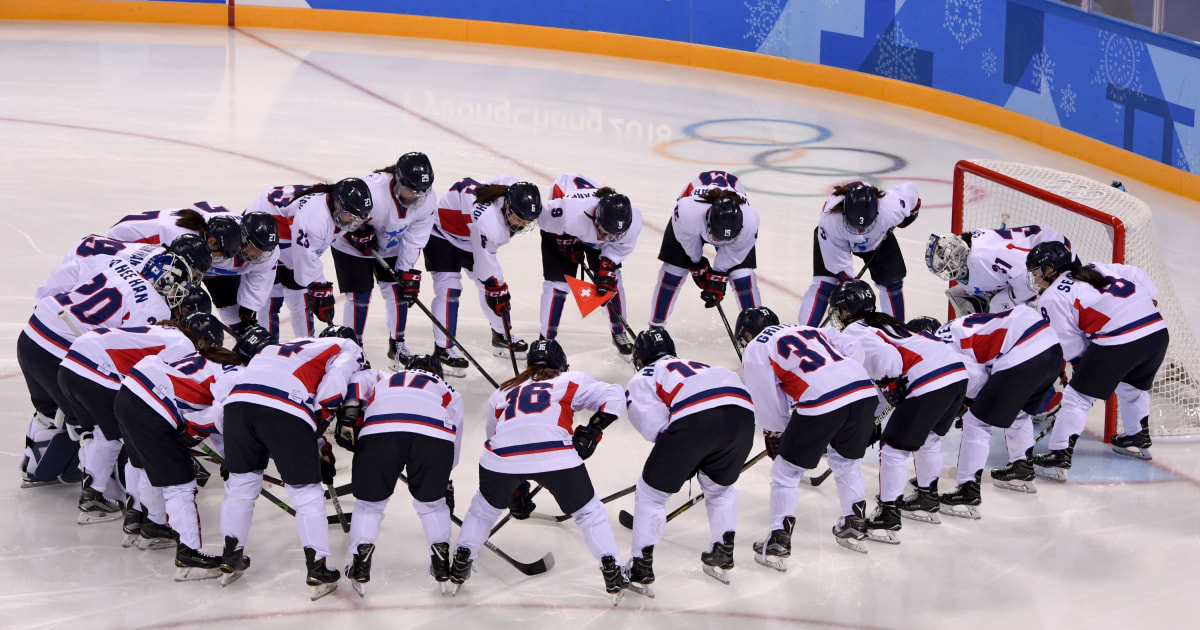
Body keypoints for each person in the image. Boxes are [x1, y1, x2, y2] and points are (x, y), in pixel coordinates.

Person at [448, 339, 630, 604]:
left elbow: (496, 435)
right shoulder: (569, 379)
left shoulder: (503, 390)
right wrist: (592, 431)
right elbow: (615, 396)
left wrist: (515, 490)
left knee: (483, 510)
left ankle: (461, 562)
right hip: (556, 456)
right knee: (589, 513)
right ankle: (612, 571)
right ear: (561, 364)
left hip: (501, 459)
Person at [17, 240, 195, 488]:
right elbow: (128, 358)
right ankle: (102, 492)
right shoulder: (153, 308)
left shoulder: (114, 264)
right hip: (60, 353)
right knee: (101, 423)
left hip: (32, 332)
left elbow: (70, 270)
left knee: (48, 411)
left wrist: (44, 300)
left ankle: (35, 469)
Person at [218, 325, 366, 599]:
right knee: (307, 494)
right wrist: (318, 427)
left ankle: (231, 556)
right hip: (284, 408)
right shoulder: (347, 347)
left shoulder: (285, 345)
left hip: (237, 406)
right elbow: (332, 388)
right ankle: (317, 567)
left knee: (240, 486)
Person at [826, 282, 968, 542]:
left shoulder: (856, 331)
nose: (837, 315)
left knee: (892, 450)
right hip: (956, 374)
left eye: (839, 310)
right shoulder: (885, 322)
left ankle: (888, 517)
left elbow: (890, 364)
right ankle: (927, 497)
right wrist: (874, 413)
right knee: (929, 440)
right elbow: (887, 380)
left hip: (928, 381)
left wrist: (889, 387)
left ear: (847, 310)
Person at [735, 306, 879, 563]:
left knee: (786, 471)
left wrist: (776, 432)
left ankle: (779, 540)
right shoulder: (809, 329)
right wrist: (843, 376)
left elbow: (766, 395)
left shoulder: (758, 347)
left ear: (748, 332)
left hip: (823, 399)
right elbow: (851, 344)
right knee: (846, 463)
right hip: (862, 390)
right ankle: (854, 523)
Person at [114, 313, 247, 580]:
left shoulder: (208, 357)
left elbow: (215, 418)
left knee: (143, 466)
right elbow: (221, 417)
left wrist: (230, 459)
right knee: (180, 485)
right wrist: (234, 461)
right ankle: (189, 556)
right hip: (153, 407)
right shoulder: (239, 375)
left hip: (127, 394)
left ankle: (152, 526)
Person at [623, 328, 755, 592]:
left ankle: (640, 567)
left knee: (651, 494)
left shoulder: (643, 376)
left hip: (697, 418)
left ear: (639, 358)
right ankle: (722, 551)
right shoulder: (699, 365)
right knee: (720, 489)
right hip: (743, 416)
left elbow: (654, 428)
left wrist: (685, 459)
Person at [1026, 241, 1168, 472]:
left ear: (1050, 269)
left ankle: (1059, 454)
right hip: (1157, 331)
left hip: (1120, 340)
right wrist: (1146, 301)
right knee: (1131, 387)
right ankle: (1136, 436)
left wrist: (1082, 367)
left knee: (1076, 398)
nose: (1035, 277)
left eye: (1036, 271)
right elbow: (1134, 273)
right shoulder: (1096, 267)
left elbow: (1069, 341)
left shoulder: (1051, 297)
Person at [335, 354, 463, 596]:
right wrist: (444, 479)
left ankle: (361, 565)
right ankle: (442, 563)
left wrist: (351, 410)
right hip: (433, 436)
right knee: (432, 505)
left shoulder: (386, 376)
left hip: (380, 430)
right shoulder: (448, 389)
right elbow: (454, 436)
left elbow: (360, 377)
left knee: (369, 505)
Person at [58, 317, 204, 525]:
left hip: (69, 366)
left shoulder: (157, 331)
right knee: (131, 442)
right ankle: (129, 509)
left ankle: (95, 493)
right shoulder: (183, 344)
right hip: (96, 370)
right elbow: (165, 384)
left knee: (101, 433)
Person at [934, 305, 1063, 516]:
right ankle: (1021, 468)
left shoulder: (941, 347)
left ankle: (968, 492)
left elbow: (978, 382)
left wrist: (968, 404)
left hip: (1024, 354)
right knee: (1018, 413)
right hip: (1052, 349)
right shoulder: (956, 328)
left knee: (977, 423)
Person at [424, 175, 542, 376]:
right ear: (507, 207)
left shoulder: (510, 188)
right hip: (441, 233)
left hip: (469, 235)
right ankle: (443, 350)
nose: (522, 225)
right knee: (450, 289)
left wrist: (496, 289)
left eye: (526, 221)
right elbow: (484, 265)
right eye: (519, 218)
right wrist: (497, 289)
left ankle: (501, 335)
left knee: (493, 290)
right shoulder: (490, 223)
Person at [332, 153, 436, 367]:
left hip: (391, 244)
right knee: (359, 296)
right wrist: (356, 233)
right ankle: (353, 346)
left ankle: (397, 343)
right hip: (350, 247)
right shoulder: (373, 189)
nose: (416, 195)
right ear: (397, 179)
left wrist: (406, 271)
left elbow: (416, 237)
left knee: (398, 291)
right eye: (412, 189)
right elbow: (346, 212)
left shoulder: (427, 199)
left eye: (421, 191)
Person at [106, 203, 277, 330]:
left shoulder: (262, 250)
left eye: (262, 251)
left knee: (240, 323)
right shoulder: (180, 238)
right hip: (133, 245)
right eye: (254, 248)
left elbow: (261, 275)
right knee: (164, 304)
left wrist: (249, 309)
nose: (258, 256)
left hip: (199, 260)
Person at [246, 178, 374, 340]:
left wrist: (360, 233)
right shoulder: (315, 218)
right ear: (339, 205)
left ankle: (307, 345)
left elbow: (305, 260)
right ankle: (267, 349)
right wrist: (319, 288)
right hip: (266, 228)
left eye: (359, 218)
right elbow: (304, 260)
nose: (354, 222)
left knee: (300, 300)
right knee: (272, 298)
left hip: (288, 232)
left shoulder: (340, 208)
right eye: (351, 217)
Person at [538, 173, 641, 357]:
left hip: (587, 227)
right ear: (596, 218)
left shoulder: (631, 222)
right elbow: (540, 218)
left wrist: (607, 265)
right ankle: (546, 339)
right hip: (563, 228)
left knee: (612, 280)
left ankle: (619, 331)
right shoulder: (568, 212)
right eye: (606, 232)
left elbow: (618, 248)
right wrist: (563, 241)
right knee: (558, 285)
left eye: (613, 235)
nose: (608, 238)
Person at [798, 181, 921, 326]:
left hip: (877, 240)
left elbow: (912, 197)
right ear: (844, 212)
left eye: (865, 226)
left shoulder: (891, 207)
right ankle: (802, 333)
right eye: (855, 226)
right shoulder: (830, 220)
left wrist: (908, 217)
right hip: (836, 240)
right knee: (825, 285)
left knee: (892, 283)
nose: (860, 232)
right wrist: (849, 284)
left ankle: (896, 332)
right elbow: (841, 271)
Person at [647, 171, 760, 328]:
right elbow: (689, 243)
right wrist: (697, 262)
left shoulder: (750, 221)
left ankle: (758, 333)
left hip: (726, 230)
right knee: (672, 273)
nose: (719, 243)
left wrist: (718, 277)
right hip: (688, 227)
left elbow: (732, 256)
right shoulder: (687, 211)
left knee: (743, 278)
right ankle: (655, 326)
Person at [926, 224, 1073, 316]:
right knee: (958, 294)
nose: (947, 272)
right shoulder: (966, 249)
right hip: (1029, 258)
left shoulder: (983, 257)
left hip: (1056, 253)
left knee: (1000, 305)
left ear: (958, 255)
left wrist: (1015, 301)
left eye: (948, 266)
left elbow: (1025, 272)